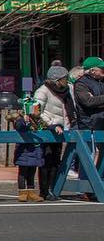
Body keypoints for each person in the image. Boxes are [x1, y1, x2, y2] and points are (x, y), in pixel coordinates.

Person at [35, 64, 75, 200]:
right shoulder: (43, 91)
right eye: (65, 78)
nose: (67, 80)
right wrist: (52, 124)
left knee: (56, 161)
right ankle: (44, 191)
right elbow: (37, 111)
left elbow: (69, 109)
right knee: (47, 161)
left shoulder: (67, 90)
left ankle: (53, 189)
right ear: (56, 80)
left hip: (62, 129)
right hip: (49, 129)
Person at [11, 99, 46, 203]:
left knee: (32, 172)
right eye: (37, 109)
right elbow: (19, 127)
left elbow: (47, 127)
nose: (39, 111)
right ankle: (22, 192)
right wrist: (24, 120)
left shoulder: (39, 121)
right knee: (23, 173)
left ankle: (31, 192)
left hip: (35, 150)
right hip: (24, 151)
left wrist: (54, 127)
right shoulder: (22, 120)